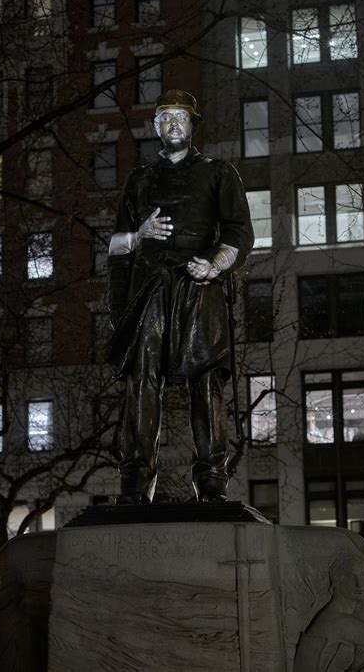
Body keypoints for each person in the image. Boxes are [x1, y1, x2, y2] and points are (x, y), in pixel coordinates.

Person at [108, 89, 254, 504]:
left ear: (193, 125)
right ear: (155, 126)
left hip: (198, 286)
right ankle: (135, 477)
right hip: (149, 289)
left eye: (180, 117)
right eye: (165, 117)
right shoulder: (138, 180)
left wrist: (214, 263)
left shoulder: (218, 173)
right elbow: (115, 247)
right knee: (141, 380)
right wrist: (139, 238)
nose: (173, 124)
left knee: (206, 381)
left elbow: (240, 233)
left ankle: (211, 478)